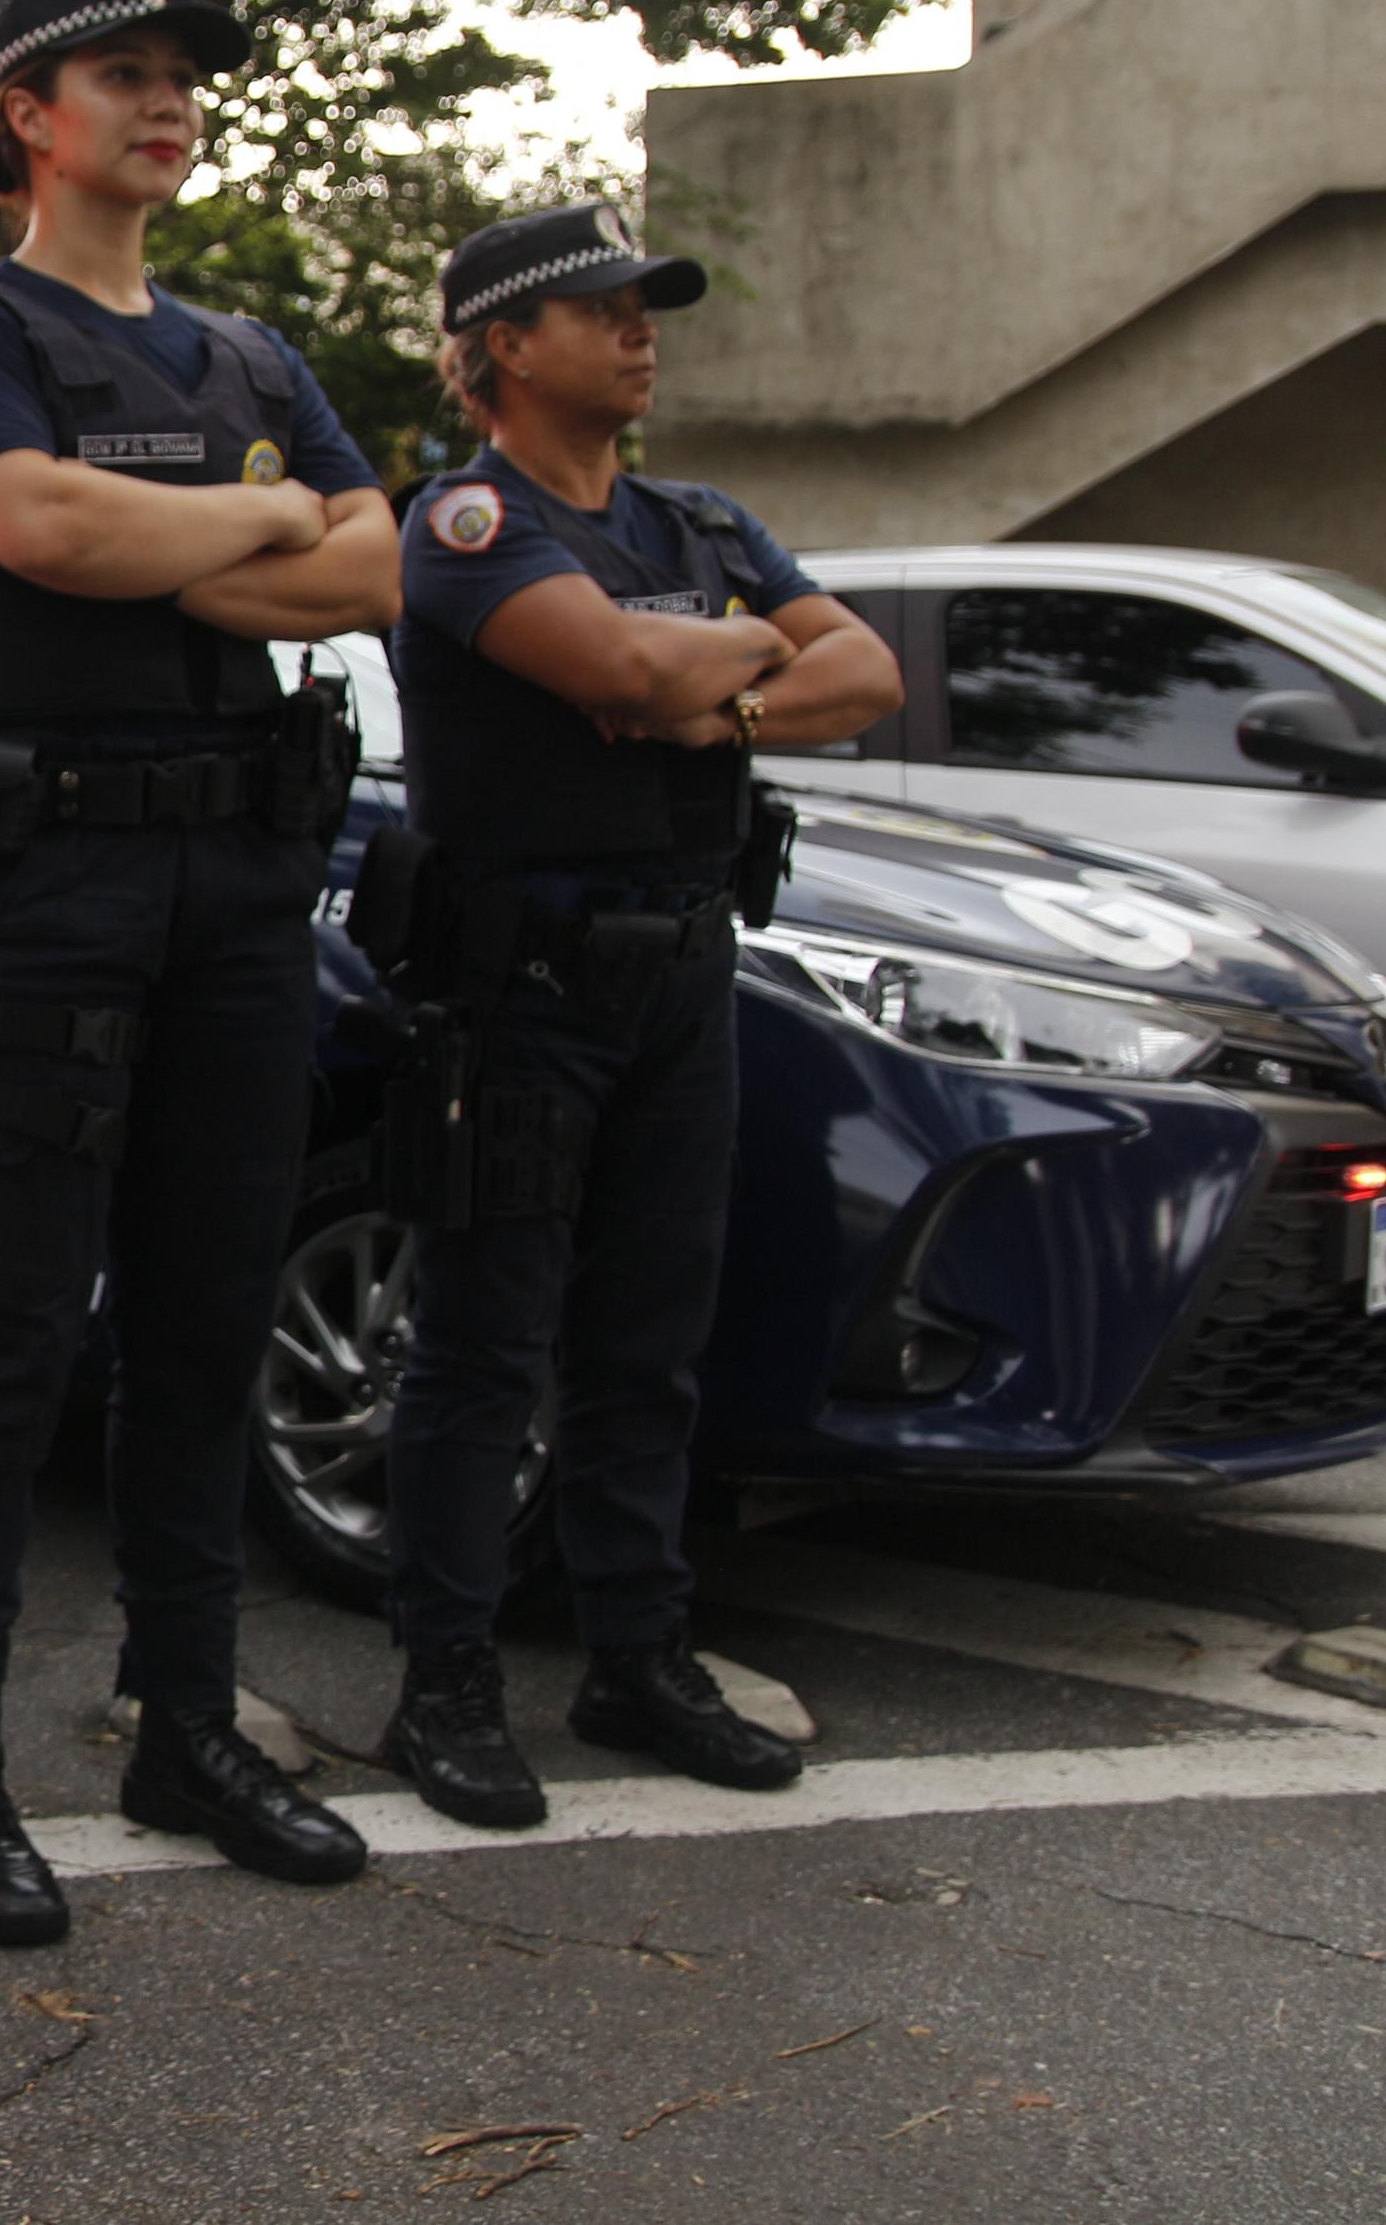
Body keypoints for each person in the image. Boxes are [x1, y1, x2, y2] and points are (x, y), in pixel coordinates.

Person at [0, 0, 403, 1948]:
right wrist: (254, 535)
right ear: (27, 112)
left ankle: (188, 1727)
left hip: (244, 897)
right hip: (40, 890)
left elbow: (380, 566)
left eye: (184, 76)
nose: (166, 102)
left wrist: (210, 524)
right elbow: (41, 538)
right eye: (123, 73)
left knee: (200, 1329)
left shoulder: (249, 357)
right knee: (3, 1347)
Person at [368, 203, 903, 1828]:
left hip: (682, 973)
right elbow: (604, 664)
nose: (642, 328)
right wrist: (702, 670)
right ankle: (444, 1684)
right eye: (603, 308)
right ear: (504, 349)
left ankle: (635, 1653)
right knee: (481, 1346)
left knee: (648, 1346)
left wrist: (704, 689)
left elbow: (865, 672)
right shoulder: (465, 523)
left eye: (646, 305)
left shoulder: (704, 519)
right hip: (522, 993)